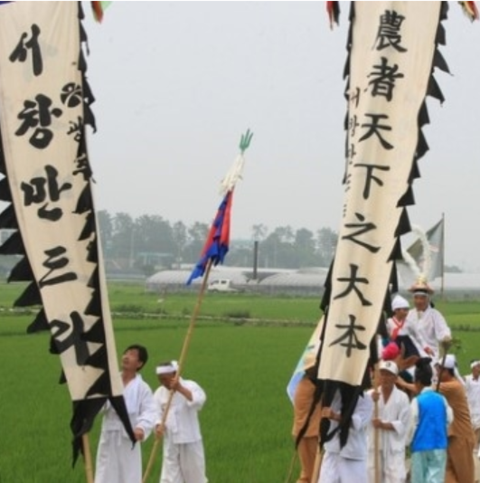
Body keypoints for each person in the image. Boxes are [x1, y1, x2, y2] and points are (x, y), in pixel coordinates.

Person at [95, 344, 158, 483]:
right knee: (105, 474)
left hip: (128, 439)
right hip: (109, 437)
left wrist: (141, 428)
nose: (126, 357)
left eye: (132, 355)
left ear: (139, 363)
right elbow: (99, 405)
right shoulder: (109, 382)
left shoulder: (143, 388)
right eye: (126, 353)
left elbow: (150, 412)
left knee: (129, 476)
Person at [154, 360, 207, 483]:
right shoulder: (159, 393)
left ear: (174, 375)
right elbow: (155, 413)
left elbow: (200, 401)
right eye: (160, 380)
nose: (163, 383)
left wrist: (180, 389)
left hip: (190, 440)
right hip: (171, 441)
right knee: (170, 478)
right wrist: (158, 425)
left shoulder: (190, 386)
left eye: (165, 379)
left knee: (195, 476)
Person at [408, 357, 453, 483]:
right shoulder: (442, 399)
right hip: (439, 444)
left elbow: (412, 425)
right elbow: (449, 419)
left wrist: (406, 442)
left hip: (420, 446)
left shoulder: (417, 401)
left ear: (417, 382)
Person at [318, 386, 374, 483]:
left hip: (353, 456)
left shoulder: (365, 400)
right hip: (332, 452)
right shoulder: (333, 396)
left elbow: (357, 423)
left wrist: (335, 416)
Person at [367, 360, 410, 483]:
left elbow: (403, 424)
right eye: (383, 374)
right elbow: (362, 418)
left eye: (389, 375)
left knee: (396, 478)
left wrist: (384, 425)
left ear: (395, 378)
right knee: (372, 477)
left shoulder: (402, 398)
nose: (385, 378)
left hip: (393, 448)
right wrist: (369, 402)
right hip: (374, 446)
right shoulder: (371, 395)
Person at [437, 354, 476, 483]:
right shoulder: (449, 384)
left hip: (461, 435)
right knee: (446, 472)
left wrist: (401, 382)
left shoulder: (452, 386)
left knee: (464, 476)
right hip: (451, 435)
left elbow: (426, 390)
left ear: (447, 371)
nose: (436, 372)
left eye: (439, 369)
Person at [292, 352, 322, 483]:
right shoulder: (308, 386)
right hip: (308, 434)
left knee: (307, 473)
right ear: (310, 369)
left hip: (304, 433)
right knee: (313, 474)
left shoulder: (305, 383)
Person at [405, 278, 451, 360]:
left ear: (428, 299)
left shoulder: (435, 315)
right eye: (416, 298)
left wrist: (446, 337)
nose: (419, 301)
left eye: (422, 298)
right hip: (412, 354)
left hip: (430, 354)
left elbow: (443, 330)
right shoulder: (409, 314)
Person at [465, 359, 480, 452]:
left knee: (478, 428)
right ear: (473, 368)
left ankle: (475, 448)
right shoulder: (467, 379)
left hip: (479, 408)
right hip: (469, 409)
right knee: (470, 430)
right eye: (478, 366)